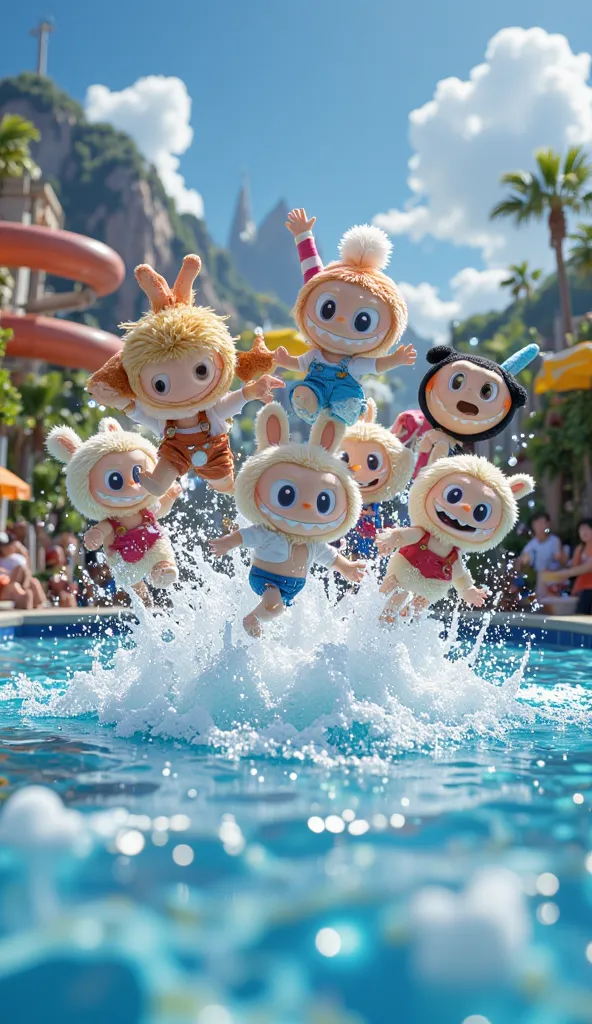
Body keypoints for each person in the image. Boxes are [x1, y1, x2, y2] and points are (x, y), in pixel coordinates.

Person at [516, 512, 568, 603]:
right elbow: (521, 565)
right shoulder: (531, 545)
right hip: (540, 582)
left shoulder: (555, 541)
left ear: (548, 524)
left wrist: (559, 556)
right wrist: (521, 562)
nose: (539, 526)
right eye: (536, 524)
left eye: (542, 523)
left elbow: (563, 563)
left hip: (556, 580)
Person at [543, 518, 592, 614]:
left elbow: (587, 567)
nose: (584, 532)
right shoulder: (580, 549)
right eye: (581, 529)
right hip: (580, 591)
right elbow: (572, 569)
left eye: (588, 529)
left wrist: (559, 575)